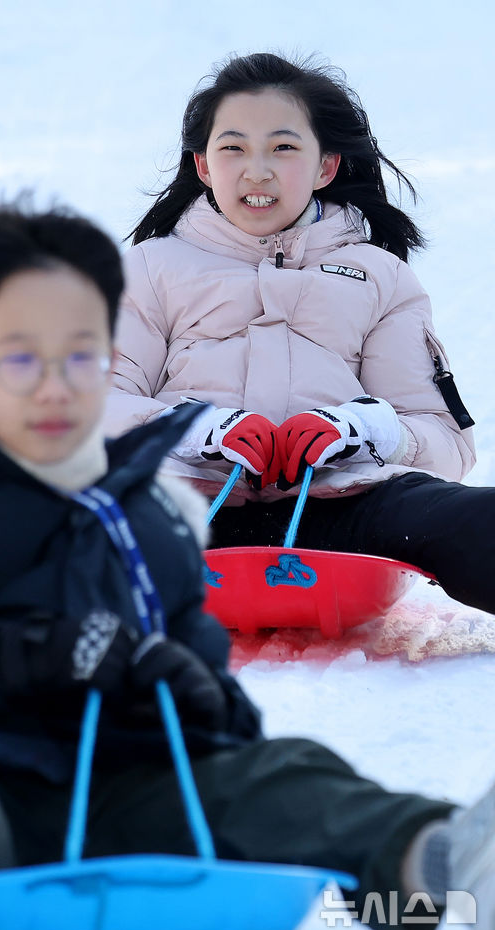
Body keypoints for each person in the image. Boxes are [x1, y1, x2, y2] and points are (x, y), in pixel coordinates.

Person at [0, 199, 495, 930]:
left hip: (124, 793)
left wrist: (195, 693)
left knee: (284, 774)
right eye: (22, 359)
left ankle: (442, 863)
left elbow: (215, 716)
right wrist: (19, 655)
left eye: (81, 357)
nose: (56, 386)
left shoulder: (147, 519)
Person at [104, 51, 494, 616]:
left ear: (325, 167)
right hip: (183, 505)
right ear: (205, 166)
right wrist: (198, 431)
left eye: (283, 148)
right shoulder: (149, 269)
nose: (256, 170)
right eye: (233, 147)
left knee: (473, 521)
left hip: (344, 505)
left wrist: (361, 429)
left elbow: (443, 440)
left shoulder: (380, 276)